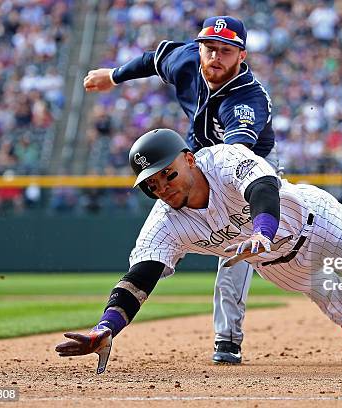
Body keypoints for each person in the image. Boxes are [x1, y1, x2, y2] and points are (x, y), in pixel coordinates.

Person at [54, 128, 342, 374]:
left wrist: (263, 230)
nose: (162, 188)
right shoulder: (166, 222)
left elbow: (264, 188)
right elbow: (142, 275)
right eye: (151, 185)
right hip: (277, 265)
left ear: (188, 158)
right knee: (330, 296)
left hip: (317, 220)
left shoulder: (224, 159)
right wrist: (105, 326)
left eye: (166, 174)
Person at [83, 16, 278, 364]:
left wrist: (212, 182)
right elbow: (152, 60)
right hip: (198, 156)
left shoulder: (248, 100)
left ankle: (228, 337)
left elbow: (234, 157)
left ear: (241, 56)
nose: (215, 56)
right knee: (166, 227)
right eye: (209, 47)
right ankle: (119, 319)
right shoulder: (188, 60)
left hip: (248, 165)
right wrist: (113, 76)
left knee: (249, 245)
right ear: (199, 47)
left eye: (226, 50)